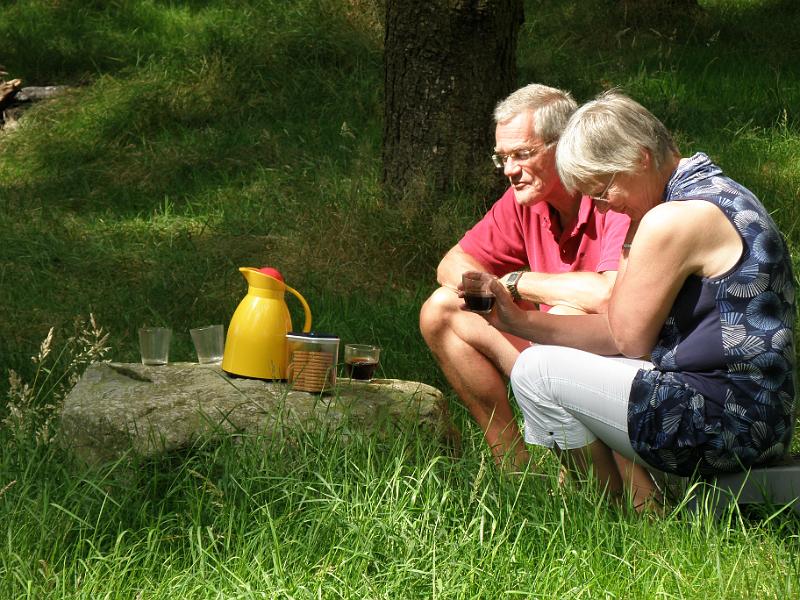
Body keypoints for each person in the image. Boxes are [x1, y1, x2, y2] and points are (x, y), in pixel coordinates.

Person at [479, 90, 796, 509]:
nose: (601, 205)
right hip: (757, 415)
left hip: (729, 423)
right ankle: (644, 502)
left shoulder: (674, 218)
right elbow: (620, 325)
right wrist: (516, 322)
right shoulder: (709, 189)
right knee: (561, 352)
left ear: (640, 158)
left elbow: (625, 339)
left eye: (603, 188)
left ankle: (617, 513)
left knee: (535, 372)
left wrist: (520, 324)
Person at [419, 84, 631, 471]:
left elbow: (607, 295)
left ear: (564, 145)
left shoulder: (610, 194)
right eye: (502, 158)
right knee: (441, 311)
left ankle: (592, 485)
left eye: (522, 154)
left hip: (621, 356)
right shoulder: (525, 200)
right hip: (549, 347)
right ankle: (515, 470)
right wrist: (487, 287)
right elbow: (451, 263)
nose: (510, 170)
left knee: (567, 313)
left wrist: (515, 283)